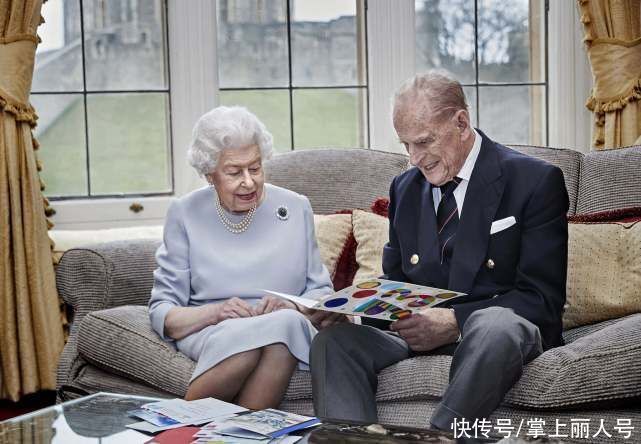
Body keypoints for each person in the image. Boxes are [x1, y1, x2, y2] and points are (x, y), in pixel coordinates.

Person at [310, 72, 569, 430]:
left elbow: (542, 299)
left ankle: (439, 438)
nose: (415, 158)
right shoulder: (405, 187)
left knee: (495, 326)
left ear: (461, 123)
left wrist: (454, 323)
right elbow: (397, 283)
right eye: (406, 146)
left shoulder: (534, 181)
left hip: (492, 336)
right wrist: (352, 313)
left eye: (424, 141)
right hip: (418, 335)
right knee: (334, 342)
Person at [149, 106, 343, 409]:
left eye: (255, 168)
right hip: (212, 328)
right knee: (259, 342)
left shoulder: (295, 207)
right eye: (234, 172)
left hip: (286, 324)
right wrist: (216, 312)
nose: (249, 182)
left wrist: (290, 304)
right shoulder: (184, 213)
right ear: (209, 174)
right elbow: (164, 312)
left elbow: (321, 293)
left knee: (283, 328)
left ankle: (179, 428)